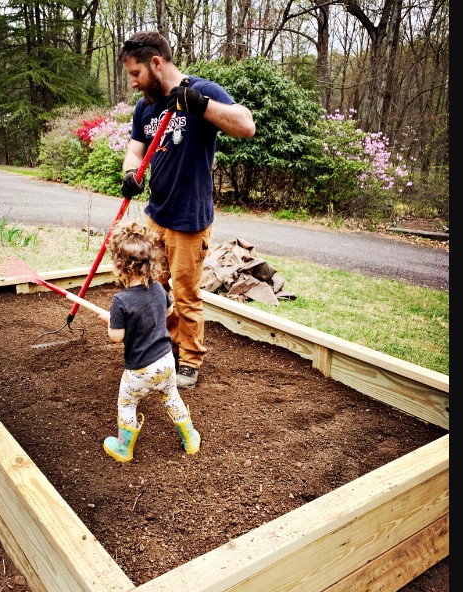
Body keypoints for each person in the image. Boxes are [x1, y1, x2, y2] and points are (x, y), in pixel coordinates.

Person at [118, 31, 256, 389]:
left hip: (189, 219)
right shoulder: (146, 105)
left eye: (136, 74)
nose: (133, 83)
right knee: (153, 289)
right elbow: (135, 150)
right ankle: (164, 349)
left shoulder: (202, 91)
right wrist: (131, 172)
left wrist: (200, 105)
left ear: (156, 63)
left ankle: (190, 360)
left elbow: (246, 125)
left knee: (185, 294)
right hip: (155, 216)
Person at [97, 219, 201, 463]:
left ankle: (124, 448)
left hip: (139, 370)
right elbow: (167, 312)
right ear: (150, 262)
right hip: (166, 363)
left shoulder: (120, 301)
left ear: (120, 267)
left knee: (127, 404)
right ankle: (190, 439)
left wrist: (109, 320)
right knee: (172, 397)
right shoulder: (157, 289)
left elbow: (116, 336)